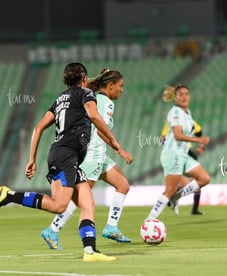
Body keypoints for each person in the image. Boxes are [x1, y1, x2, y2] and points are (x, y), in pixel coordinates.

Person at [0, 62, 130, 262]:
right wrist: (114, 141)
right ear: (83, 79)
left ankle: (90, 252)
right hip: (65, 156)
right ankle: (9, 196)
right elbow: (93, 115)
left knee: (88, 204)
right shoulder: (86, 95)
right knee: (58, 206)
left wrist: (32, 159)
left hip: (65, 155)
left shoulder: (60, 99)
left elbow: (38, 127)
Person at [40, 68, 133, 250]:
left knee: (123, 185)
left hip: (100, 153)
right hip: (93, 153)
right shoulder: (104, 102)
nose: (122, 90)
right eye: (120, 86)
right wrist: (119, 149)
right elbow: (99, 128)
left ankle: (111, 226)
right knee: (81, 199)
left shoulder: (95, 97)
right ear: (110, 85)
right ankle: (53, 229)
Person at [146, 84, 210, 220]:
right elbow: (177, 135)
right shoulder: (175, 112)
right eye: (180, 94)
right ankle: (150, 219)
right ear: (175, 98)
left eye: (187, 94)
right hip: (173, 153)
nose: (184, 96)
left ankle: (177, 197)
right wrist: (199, 141)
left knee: (204, 178)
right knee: (170, 189)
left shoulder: (187, 114)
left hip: (183, 154)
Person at [161, 120, 206, 215]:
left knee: (196, 182)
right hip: (183, 153)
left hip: (182, 153)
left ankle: (176, 197)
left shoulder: (172, 122)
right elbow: (199, 133)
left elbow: (162, 139)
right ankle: (174, 195)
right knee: (194, 182)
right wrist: (201, 146)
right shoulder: (189, 121)